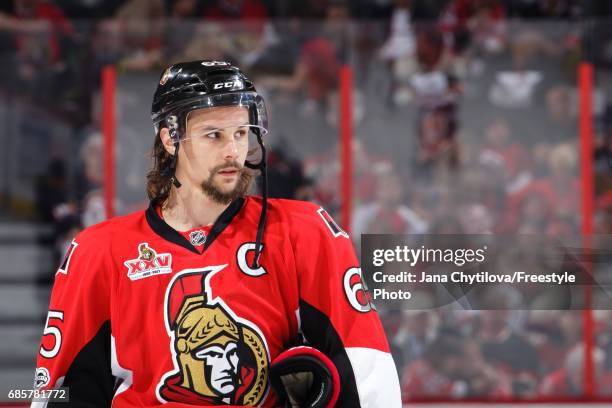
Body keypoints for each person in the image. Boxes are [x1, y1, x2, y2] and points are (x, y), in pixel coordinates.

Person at [32, 60, 401, 407]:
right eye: (214, 135)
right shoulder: (100, 251)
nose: (233, 152)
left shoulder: (303, 233)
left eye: (241, 133)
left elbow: (366, 366)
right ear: (169, 139)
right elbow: (59, 388)